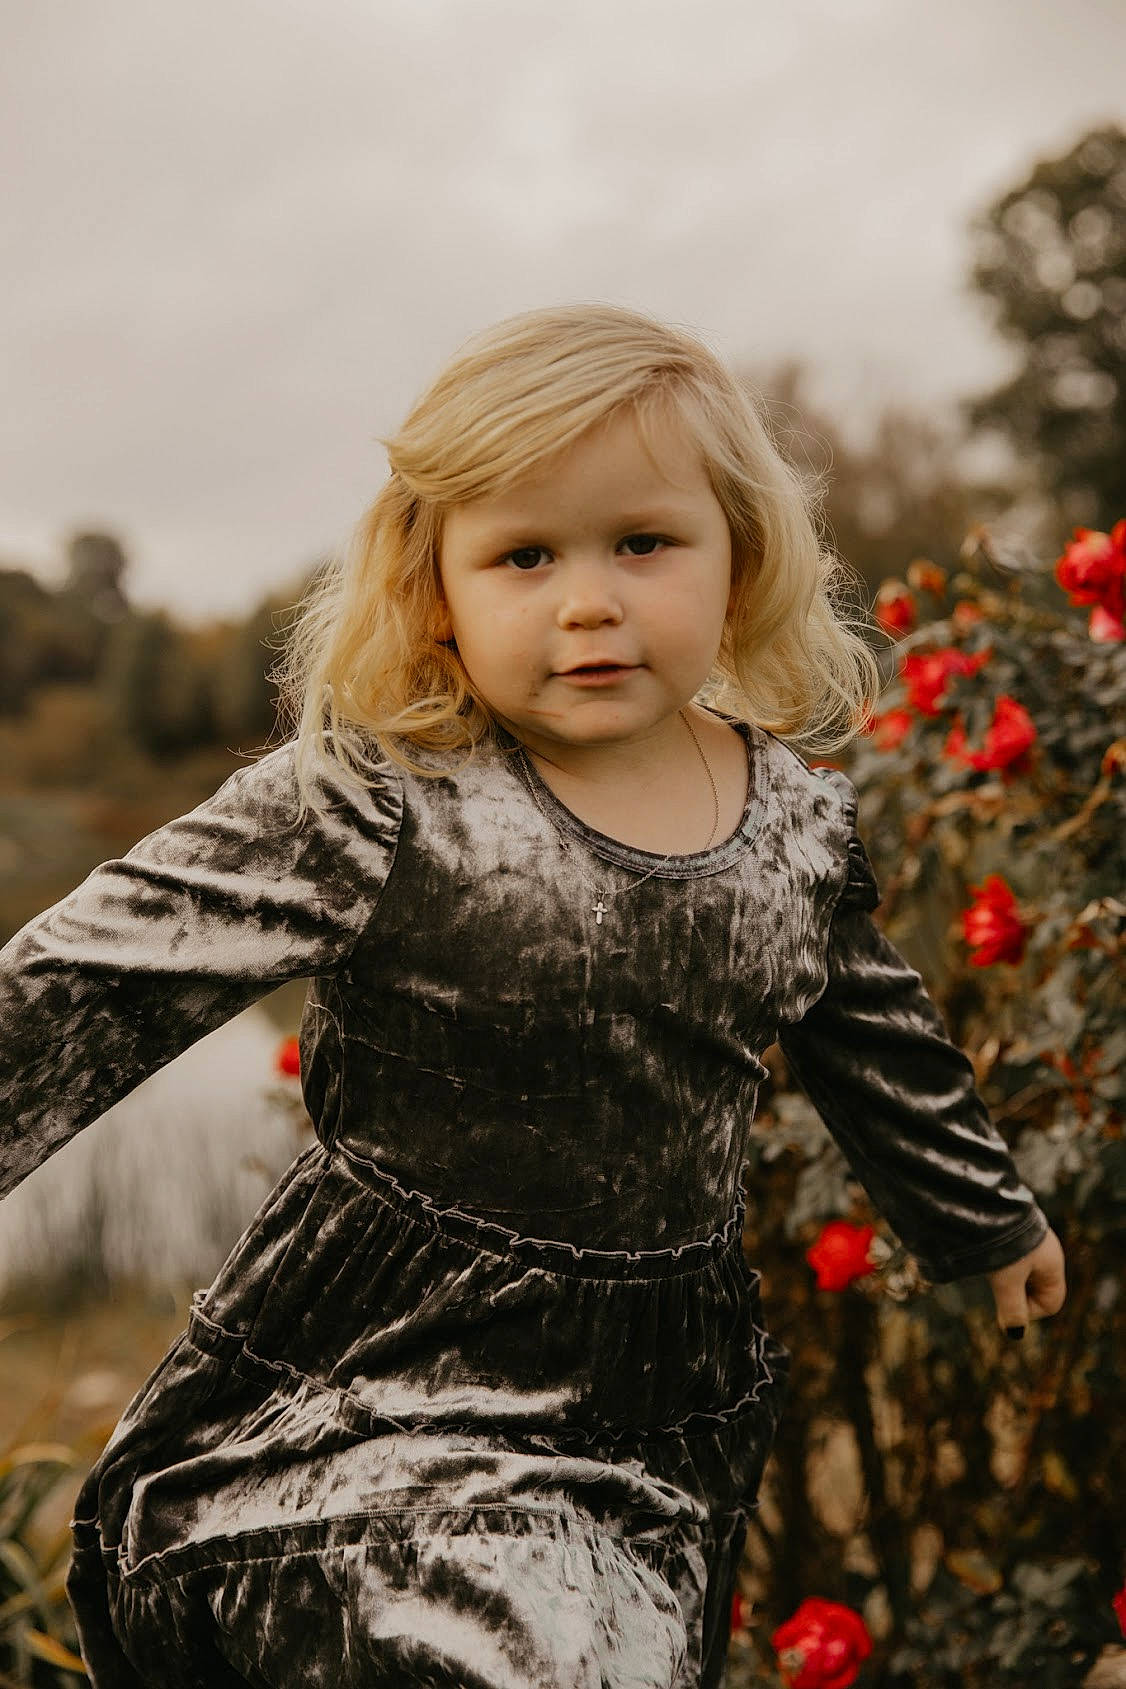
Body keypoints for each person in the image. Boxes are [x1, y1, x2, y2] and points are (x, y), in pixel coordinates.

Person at [0, 302, 1066, 1689]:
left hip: (643, 1403)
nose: (587, 600)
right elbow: (90, 982)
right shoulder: (386, 803)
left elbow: (869, 1034)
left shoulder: (796, 827)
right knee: (504, 1646)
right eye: (522, 555)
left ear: (737, 555)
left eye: (641, 542)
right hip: (375, 1375)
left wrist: (980, 1219)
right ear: (435, 589)